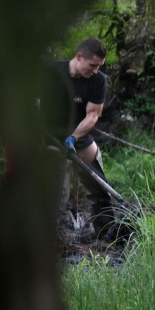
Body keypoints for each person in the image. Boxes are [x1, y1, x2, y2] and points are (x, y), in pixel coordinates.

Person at [42, 37, 117, 239]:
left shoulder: (98, 80)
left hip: (78, 138)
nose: (95, 70)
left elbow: (93, 115)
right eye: (92, 65)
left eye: (99, 66)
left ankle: (107, 235)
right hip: (53, 139)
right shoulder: (51, 72)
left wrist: (73, 137)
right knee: (56, 196)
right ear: (79, 57)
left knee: (100, 190)